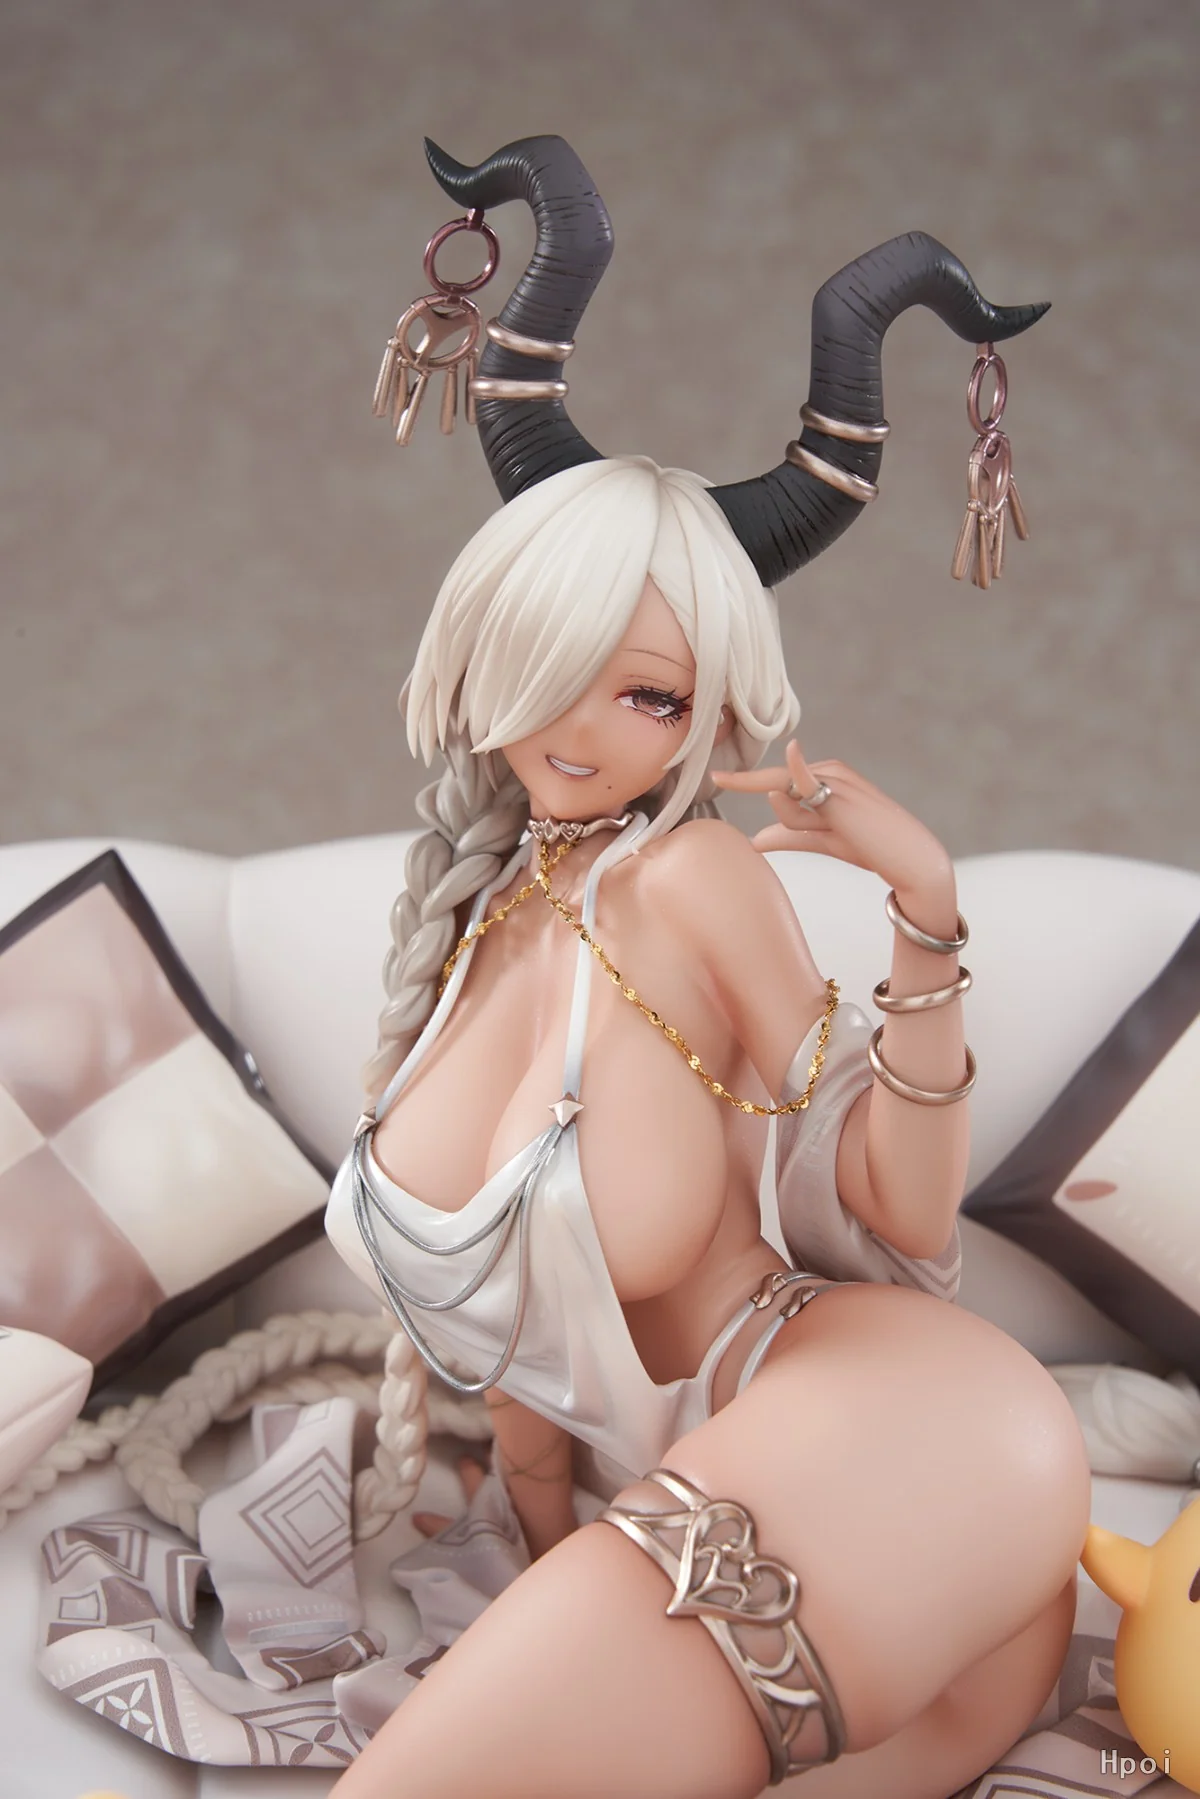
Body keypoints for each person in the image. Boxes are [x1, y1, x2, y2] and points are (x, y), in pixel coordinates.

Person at [323, 140, 1089, 1799]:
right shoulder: (487, 901)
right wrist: (541, 1528)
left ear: (716, 711)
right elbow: (530, 1368)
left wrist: (927, 908)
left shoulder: (688, 875)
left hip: (908, 1436)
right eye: (545, 666)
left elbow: (894, 1212)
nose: (577, 730)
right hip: (788, 1520)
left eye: (651, 697)